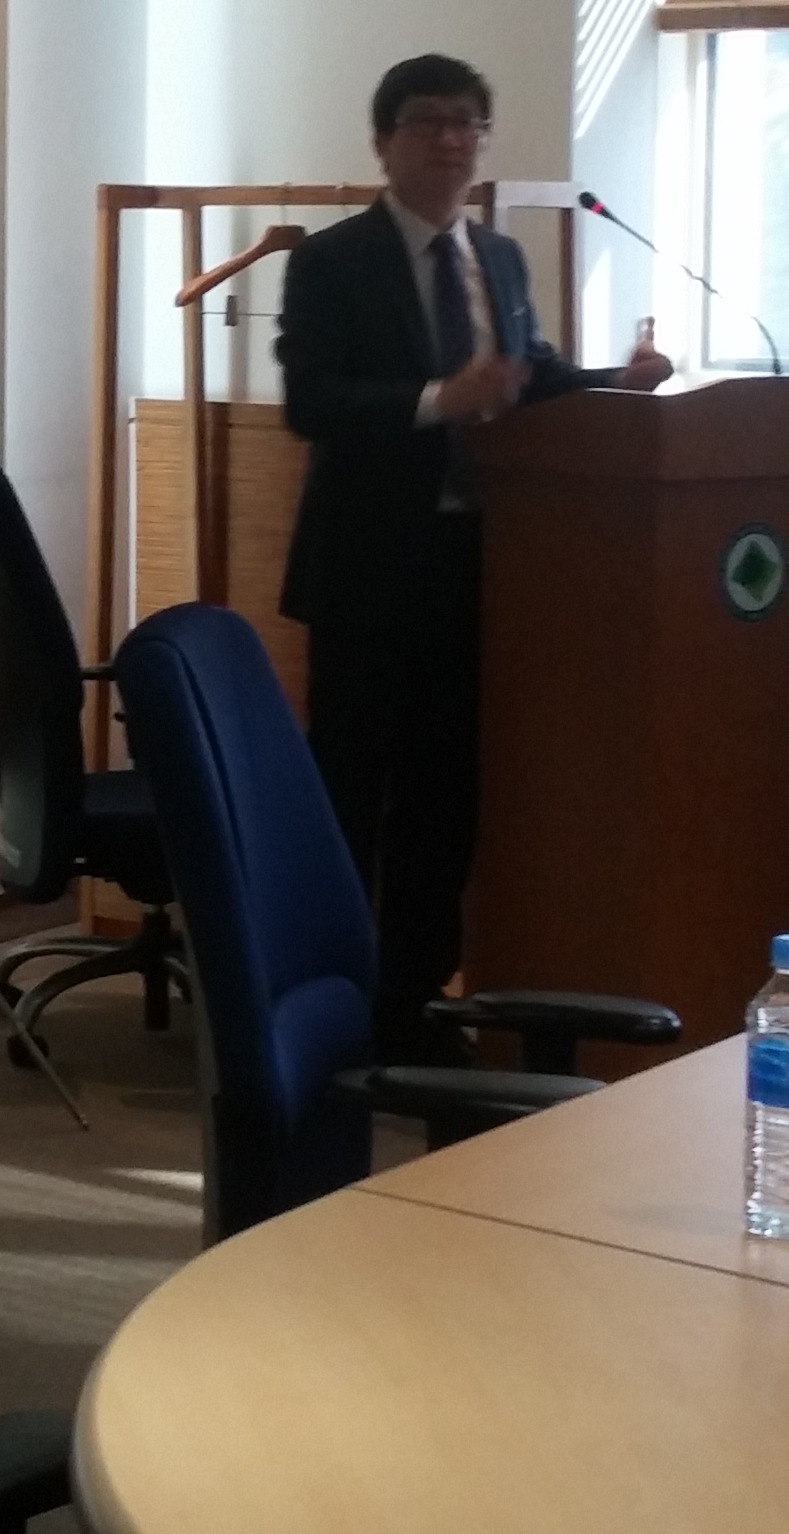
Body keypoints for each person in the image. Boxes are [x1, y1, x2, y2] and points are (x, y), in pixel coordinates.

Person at [276, 55, 672, 1063]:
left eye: (468, 124)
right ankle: (329, 1009)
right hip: (368, 574)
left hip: (479, 570)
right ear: (383, 141)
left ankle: (413, 1010)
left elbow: (524, 378)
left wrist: (614, 382)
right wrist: (434, 401)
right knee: (352, 799)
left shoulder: (497, 256)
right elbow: (311, 403)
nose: (452, 141)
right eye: (428, 122)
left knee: (443, 801)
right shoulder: (331, 261)